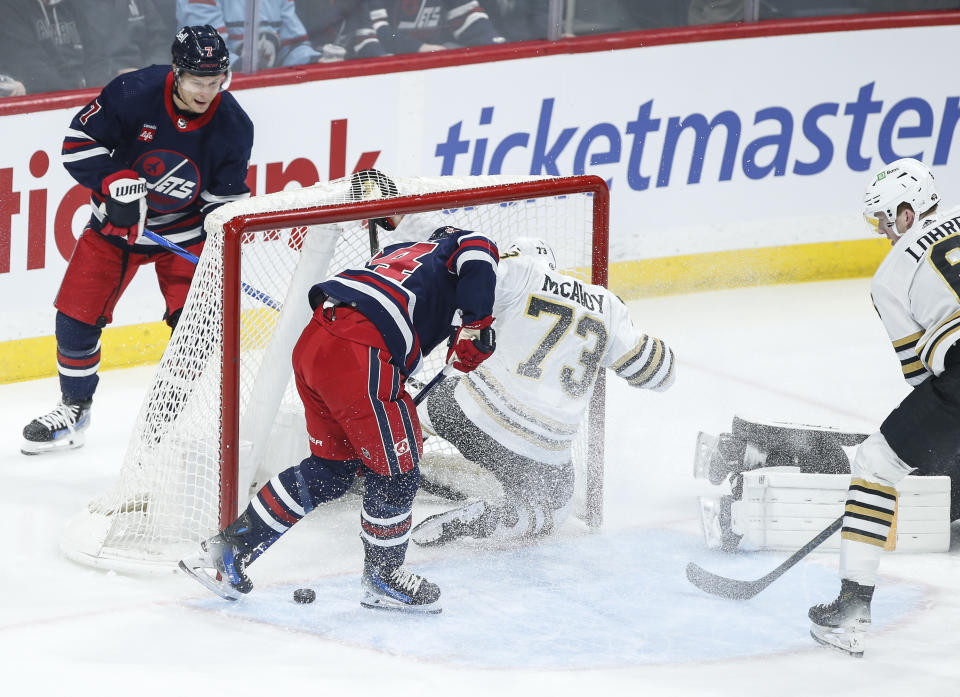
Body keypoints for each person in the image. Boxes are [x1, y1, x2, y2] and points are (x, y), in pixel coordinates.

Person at [179, 208, 500, 615]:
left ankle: (230, 548)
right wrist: (478, 324)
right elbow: (480, 253)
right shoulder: (463, 245)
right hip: (360, 352)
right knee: (398, 470)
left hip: (316, 343)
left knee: (332, 469)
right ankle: (383, 578)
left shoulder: (406, 255)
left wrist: (465, 327)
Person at [21, 25, 253, 455]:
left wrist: (222, 230)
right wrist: (113, 182)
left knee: (196, 329)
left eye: (215, 81)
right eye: (198, 81)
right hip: (115, 230)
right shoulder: (133, 91)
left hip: (183, 234)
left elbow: (221, 201)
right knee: (74, 319)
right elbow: (77, 143)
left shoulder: (234, 125)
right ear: (176, 72)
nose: (207, 91)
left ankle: (166, 422)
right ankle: (75, 410)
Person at [410, 237, 676, 547]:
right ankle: (488, 519)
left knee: (429, 403)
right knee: (553, 513)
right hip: (543, 454)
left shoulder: (519, 271)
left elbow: (463, 285)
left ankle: (383, 461)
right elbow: (659, 374)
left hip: (473, 420)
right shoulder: (606, 304)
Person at [801, 158, 960, 657]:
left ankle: (851, 609)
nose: (883, 232)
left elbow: (921, 376)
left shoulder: (890, 274)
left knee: (875, 464)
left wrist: (919, 445)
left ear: (908, 213)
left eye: (885, 220)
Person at [177, 0, 326, 69]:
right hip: (214, 93)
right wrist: (242, 68)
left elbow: (293, 47)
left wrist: (315, 61)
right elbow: (205, 52)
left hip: (267, 89)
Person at [0, 0, 91, 95]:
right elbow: (33, 71)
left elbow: (100, 58)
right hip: (54, 103)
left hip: (87, 98)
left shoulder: (80, 6)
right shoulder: (10, 9)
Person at [364, 0, 505, 54]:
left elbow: (467, 17)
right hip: (392, 65)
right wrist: (418, 47)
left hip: (436, 60)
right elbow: (375, 30)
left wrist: (493, 43)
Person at [295, 0, 386, 60]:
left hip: (344, 68)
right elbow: (297, 49)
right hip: (314, 69)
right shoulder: (300, 3)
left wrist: (384, 59)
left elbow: (365, 38)